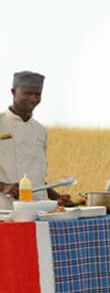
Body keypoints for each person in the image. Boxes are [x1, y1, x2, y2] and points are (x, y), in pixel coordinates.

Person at [0, 71, 71, 209]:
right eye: (27, 93)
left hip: (40, 211)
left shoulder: (40, 131)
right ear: (13, 92)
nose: (33, 99)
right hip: (5, 210)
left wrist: (56, 197)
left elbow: (37, 180)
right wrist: (4, 186)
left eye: (37, 94)